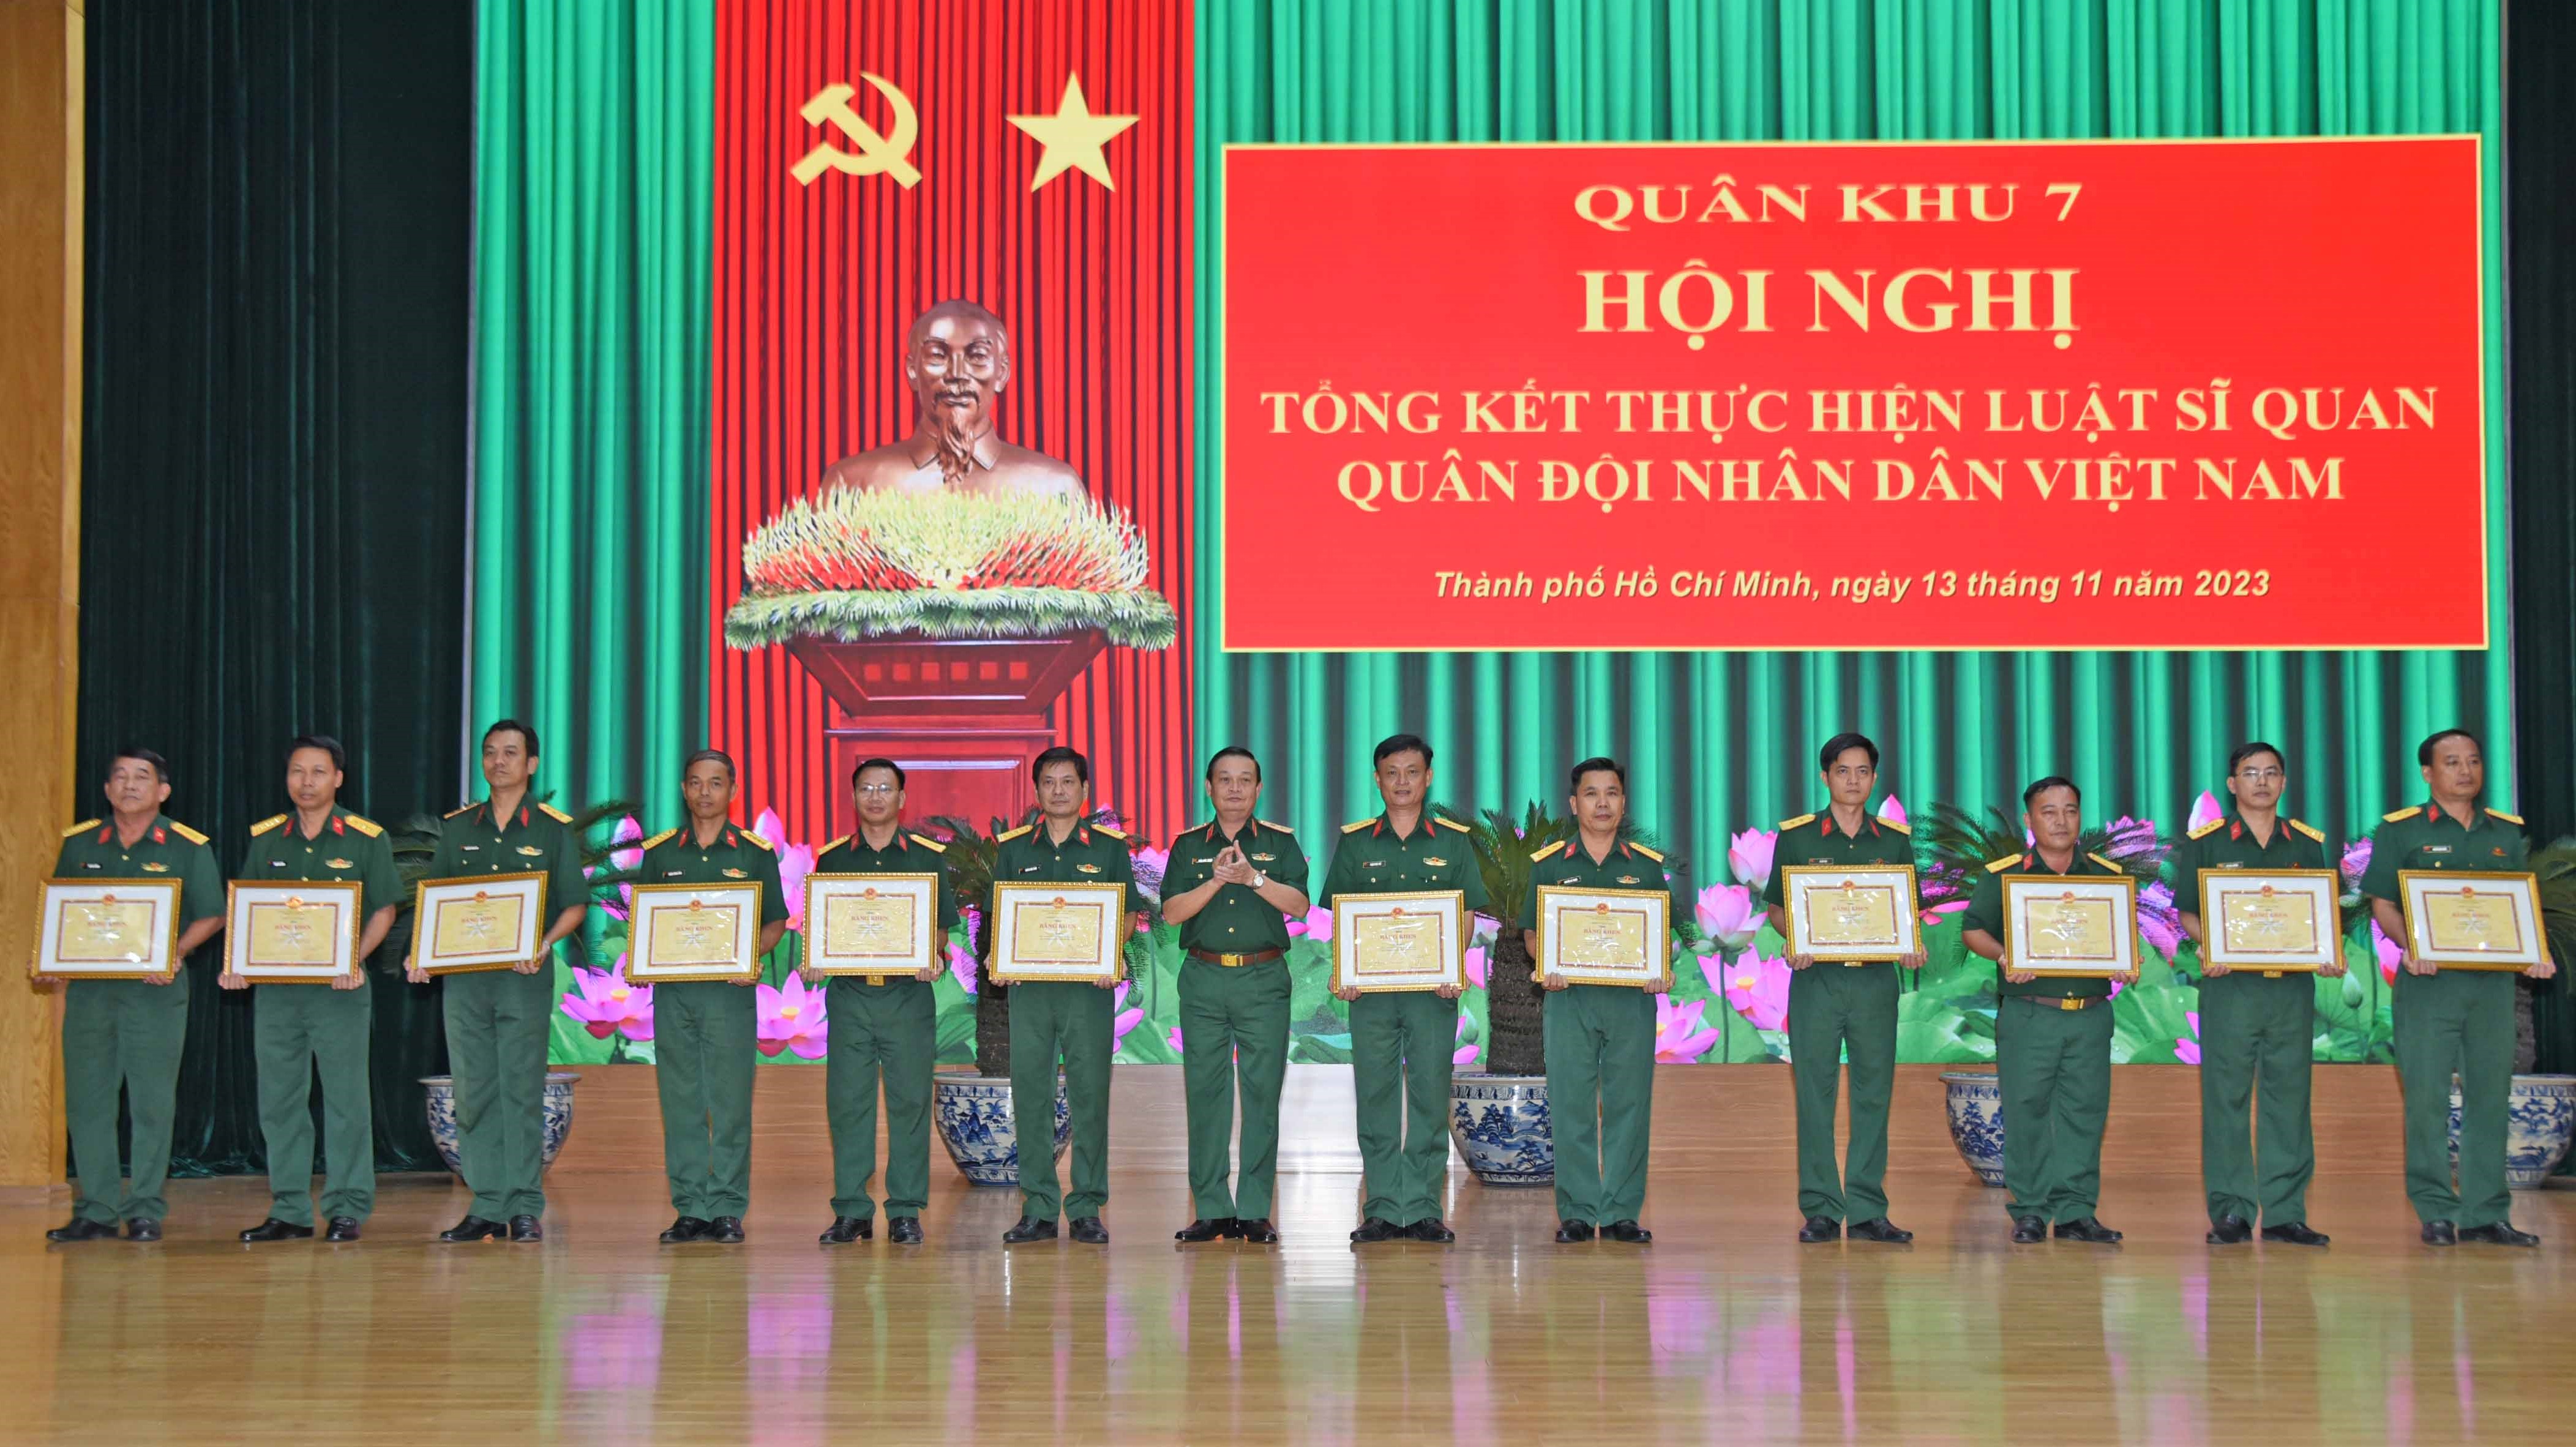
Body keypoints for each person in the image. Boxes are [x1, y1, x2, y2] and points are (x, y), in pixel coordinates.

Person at [2360, 727, 2552, 1247]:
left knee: (2491, 1097)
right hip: (2430, 986)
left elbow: (2518, 906)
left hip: (2492, 988)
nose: (2465, 771)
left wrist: (2536, 952)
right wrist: (2411, 947)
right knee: (2426, 1101)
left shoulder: (2505, 831)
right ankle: (2435, 1211)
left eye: (2473, 761)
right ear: (2428, 773)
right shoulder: (2401, 830)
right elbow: (2383, 904)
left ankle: (2487, 1212)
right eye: (2452, 762)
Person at [411, 720, 591, 1244]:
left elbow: (575, 905)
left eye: (511, 753)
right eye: (490, 752)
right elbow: (436, 900)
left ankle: (525, 1205)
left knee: (520, 1089)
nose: (499, 761)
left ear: (531, 764)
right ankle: (486, 1204)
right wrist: (423, 953)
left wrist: (544, 943)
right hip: (466, 982)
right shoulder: (459, 829)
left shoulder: (552, 830)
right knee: (473, 1092)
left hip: (523, 978)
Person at [41, 749, 225, 1244]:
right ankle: (96, 1210)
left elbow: (213, 913)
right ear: (107, 789)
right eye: (119, 777)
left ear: (163, 791)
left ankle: (145, 1208)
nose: (129, 785)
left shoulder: (187, 846)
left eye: (141, 777)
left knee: (151, 1104)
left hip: (154, 995)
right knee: (88, 1102)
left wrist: (175, 953)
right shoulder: (80, 845)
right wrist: (52, 959)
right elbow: (63, 913)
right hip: (90, 995)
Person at [230, 735, 401, 1243]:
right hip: (278, 993)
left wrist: (354, 959)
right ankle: (289, 1210)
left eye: (318, 772)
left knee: (346, 1102)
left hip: (339, 991)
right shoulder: (267, 839)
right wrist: (239, 964)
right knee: (280, 1101)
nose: (306, 782)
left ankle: (347, 1207)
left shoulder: (366, 838)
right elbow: (248, 909)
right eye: (297, 771)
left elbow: (385, 909)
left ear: (338, 779)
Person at [1319, 733, 1488, 1245]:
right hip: (1371, 996)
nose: (1402, 782)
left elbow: (1465, 914)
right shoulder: (1356, 842)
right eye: (1391, 773)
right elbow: (1343, 917)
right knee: (1375, 1096)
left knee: (1429, 1097)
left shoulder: (1453, 841)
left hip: (1433, 994)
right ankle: (1382, 1208)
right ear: (1377, 779)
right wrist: (1345, 972)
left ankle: (1423, 1207)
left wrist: (1452, 967)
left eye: (1412, 772)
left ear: (1428, 778)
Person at [2167, 741, 2334, 1247]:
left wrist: (2325, 949)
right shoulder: (2208, 842)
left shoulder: (2306, 844)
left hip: (2291, 990)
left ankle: (2286, 1213)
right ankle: (2232, 1212)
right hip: (2231, 988)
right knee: (2227, 1100)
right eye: (2250, 773)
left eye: (2271, 773)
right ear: (2232, 784)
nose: (2262, 781)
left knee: (2290, 1100)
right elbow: (2188, 911)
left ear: (2284, 782)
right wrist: (2209, 944)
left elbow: (2319, 914)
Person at [1759, 731, 1923, 1246]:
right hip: (1817, 981)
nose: (1853, 780)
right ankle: (1822, 1210)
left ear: (1874, 779)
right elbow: (1778, 909)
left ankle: (1869, 1209)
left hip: (1874, 982)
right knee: (1815, 1094)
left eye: (1863, 771)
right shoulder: (1798, 837)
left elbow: (1906, 913)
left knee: (1874, 1094)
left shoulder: (1894, 841)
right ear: (1825, 776)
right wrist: (1794, 939)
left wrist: (1910, 945)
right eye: (1843, 771)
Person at [1961, 777, 2139, 1246]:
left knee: (2085, 1114)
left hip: (2090, 1014)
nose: (2061, 821)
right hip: (2030, 1013)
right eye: (2049, 811)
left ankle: (2078, 1212)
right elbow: (1973, 930)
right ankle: (2031, 1211)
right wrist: (2004, 955)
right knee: (2027, 1112)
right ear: (2030, 819)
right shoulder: (2005, 876)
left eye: (2071, 810)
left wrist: (2126, 961)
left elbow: (2120, 939)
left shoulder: (2105, 877)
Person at [1522, 755, 1683, 1245]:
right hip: (1568, 999)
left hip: (1631, 1002)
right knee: (1570, 1105)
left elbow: (1659, 938)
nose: (1602, 803)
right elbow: (1532, 935)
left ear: (1624, 802)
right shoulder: (1550, 866)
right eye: (1591, 794)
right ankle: (1576, 1212)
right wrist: (1547, 963)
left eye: (1611, 793)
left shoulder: (1647, 868)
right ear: (1574, 804)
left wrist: (1660, 971)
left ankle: (1620, 1213)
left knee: (1628, 1106)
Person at [1160, 746, 1311, 1244]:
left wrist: (1253, 878)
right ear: (1209, 788)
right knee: (1205, 1094)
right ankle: (1211, 1209)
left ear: (1258, 789)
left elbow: (1300, 905)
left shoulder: (1280, 843)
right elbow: (1172, 913)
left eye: (1245, 780)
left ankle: (1254, 1210)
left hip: (1262, 979)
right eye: (1224, 779)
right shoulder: (1187, 845)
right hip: (1204, 979)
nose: (1235, 788)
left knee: (1262, 1095)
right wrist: (1216, 881)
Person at [638, 749, 788, 1245]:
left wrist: (748, 958)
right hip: (675, 996)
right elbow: (646, 923)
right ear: (684, 790)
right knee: (680, 1101)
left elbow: (774, 922)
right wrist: (642, 961)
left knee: (729, 1103)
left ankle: (726, 1207)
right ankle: (689, 1208)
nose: (706, 792)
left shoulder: (753, 853)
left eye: (716, 782)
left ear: (733, 790)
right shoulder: (661, 854)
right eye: (696, 783)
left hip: (729, 995)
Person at [992, 747, 1140, 1246]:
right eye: (1049, 782)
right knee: (1031, 1095)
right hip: (1030, 992)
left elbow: (1126, 914)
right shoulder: (1014, 850)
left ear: (1084, 790)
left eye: (1068, 782)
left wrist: (1108, 956)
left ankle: (1086, 1208)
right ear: (1037, 791)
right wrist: (1001, 959)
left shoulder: (1109, 849)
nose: (1058, 790)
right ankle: (1038, 1207)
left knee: (1090, 1097)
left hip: (1087, 993)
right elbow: (1000, 914)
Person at [808, 758, 957, 1247]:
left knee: (909, 1102)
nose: (875, 797)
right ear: (853, 797)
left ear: (902, 798)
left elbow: (940, 929)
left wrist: (933, 954)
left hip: (906, 997)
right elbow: (825, 928)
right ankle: (851, 1210)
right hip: (850, 996)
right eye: (866, 789)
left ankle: (905, 1211)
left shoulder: (927, 858)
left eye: (885, 789)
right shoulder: (833, 861)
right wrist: (816, 959)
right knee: (848, 1104)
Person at [820, 299, 1086, 500]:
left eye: (977, 356)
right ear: (912, 371)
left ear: (1002, 373)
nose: (957, 374)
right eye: (938, 356)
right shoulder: (851, 485)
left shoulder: (1056, 489)